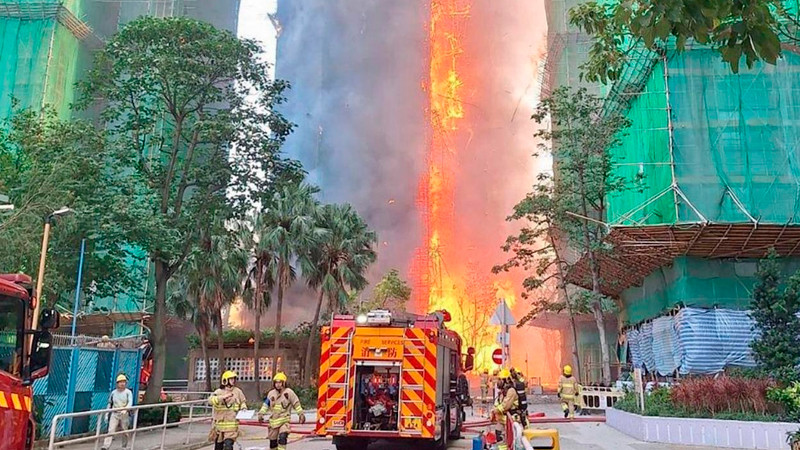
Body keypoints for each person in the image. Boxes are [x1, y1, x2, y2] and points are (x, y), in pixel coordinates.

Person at [258, 372, 305, 450]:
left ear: (284, 383)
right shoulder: (271, 394)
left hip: (284, 421)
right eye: (276, 382)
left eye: (280, 382)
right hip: (273, 423)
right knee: (273, 443)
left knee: (282, 437)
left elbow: (296, 403)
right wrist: (261, 414)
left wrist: (301, 414)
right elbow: (265, 405)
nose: (278, 384)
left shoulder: (289, 393)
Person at [209, 371, 248, 450]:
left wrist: (244, 407)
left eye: (234, 379)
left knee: (228, 446)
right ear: (225, 380)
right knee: (218, 447)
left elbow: (242, 402)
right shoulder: (218, 392)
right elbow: (210, 400)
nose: (233, 381)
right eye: (231, 379)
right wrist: (222, 397)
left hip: (231, 427)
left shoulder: (238, 391)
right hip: (219, 428)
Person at [101, 374, 133, 450]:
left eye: (124, 382)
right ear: (117, 383)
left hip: (124, 414)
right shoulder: (113, 393)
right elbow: (110, 403)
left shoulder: (128, 392)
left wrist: (126, 409)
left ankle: (124, 446)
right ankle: (106, 446)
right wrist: (107, 414)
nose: (122, 384)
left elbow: (130, 402)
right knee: (111, 430)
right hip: (114, 413)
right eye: (120, 382)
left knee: (125, 430)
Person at [492, 369, 519, 450]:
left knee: (506, 442)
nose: (498, 381)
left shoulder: (511, 391)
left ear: (506, 380)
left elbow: (505, 406)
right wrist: (494, 410)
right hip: (502, 420)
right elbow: (498, 403)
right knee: (499, 438)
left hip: (509, 420)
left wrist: (495, 411)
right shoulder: (503, 391)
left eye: (500, 379)